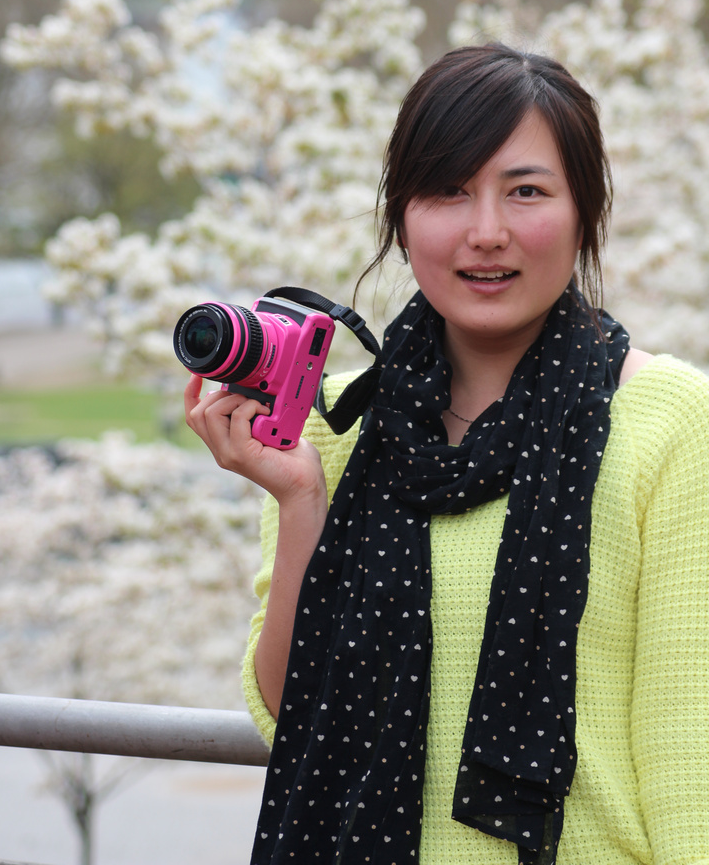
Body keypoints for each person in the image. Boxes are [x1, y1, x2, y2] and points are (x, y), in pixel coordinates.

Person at [184, 44, 709, 865]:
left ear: (586, 213)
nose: (486, 232)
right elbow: (289, 711)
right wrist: (298, 503)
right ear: (401, 219)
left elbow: (690, 765)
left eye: (526, 191)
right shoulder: (334, 418)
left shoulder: (668, 421)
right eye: (448, 192)